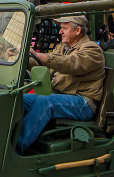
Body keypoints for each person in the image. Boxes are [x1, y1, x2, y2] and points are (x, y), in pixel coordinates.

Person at [18, 15, 105, 154]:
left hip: (82, 102)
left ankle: (16, 148)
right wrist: (21, 57)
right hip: (60, 96)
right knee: (18, 101)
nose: (60, 32)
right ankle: (5, 140)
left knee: (45, 102)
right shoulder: (63, 47)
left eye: (64, 28)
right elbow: (43, 65)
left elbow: (70, 63)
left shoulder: (92, 49)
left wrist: (42, 56)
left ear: (77, 31)